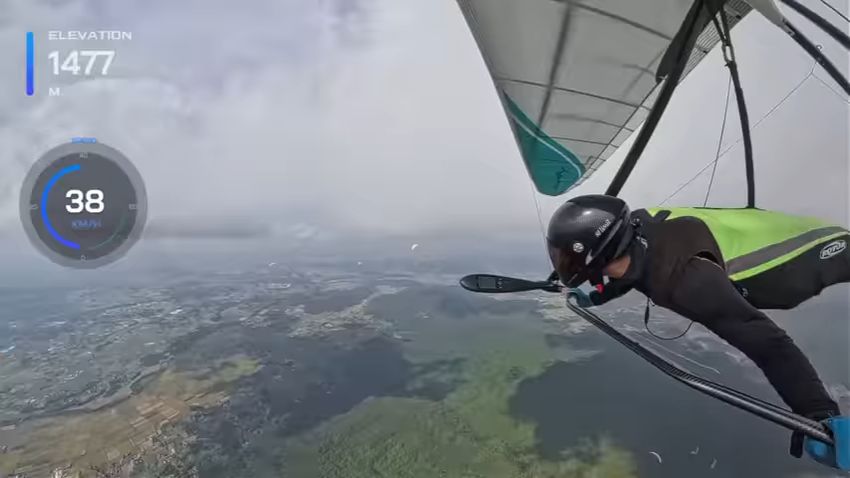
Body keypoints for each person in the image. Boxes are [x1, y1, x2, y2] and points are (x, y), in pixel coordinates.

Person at [546, 194, 849, 471]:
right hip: (767, 229)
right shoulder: (635, 229)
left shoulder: (686, 283)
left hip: (810, 253)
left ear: (597, 257)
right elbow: (628, 270)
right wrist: (596, 298)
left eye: (567, 257)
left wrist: (818, 412)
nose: (563, 263)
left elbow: (770, 345)